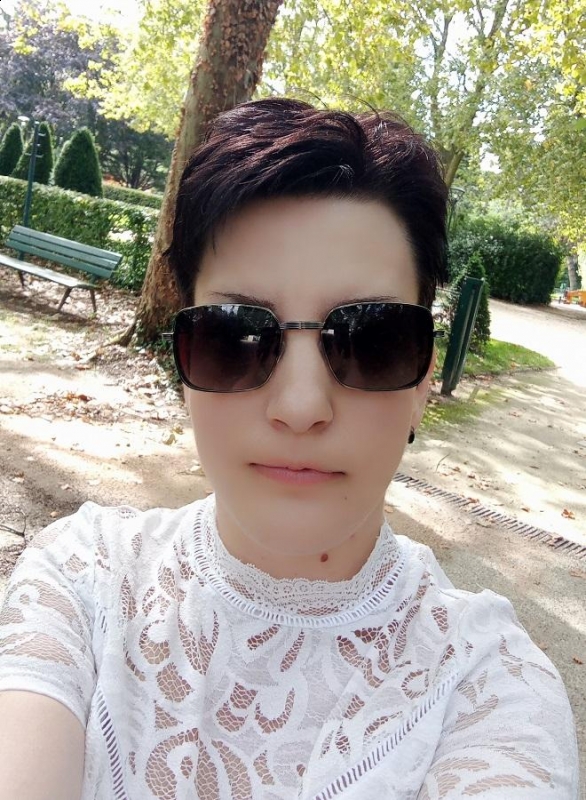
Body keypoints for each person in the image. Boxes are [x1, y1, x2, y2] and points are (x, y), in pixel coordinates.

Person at [0, 99, 579, 800]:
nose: (300, 407)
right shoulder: (81, 579)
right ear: (183, 356)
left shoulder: (488, 686)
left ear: (424, 380)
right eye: (234, 335)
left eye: (372, 339)